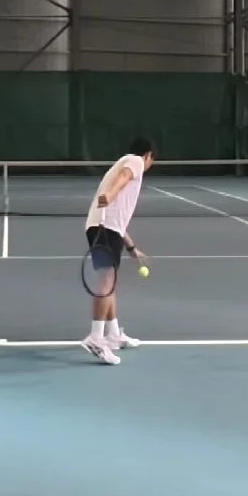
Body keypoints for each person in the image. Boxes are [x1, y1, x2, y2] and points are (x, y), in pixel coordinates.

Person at [82, 137, 156, 365]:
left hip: (107, 228)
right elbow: (123, 179)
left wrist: (131, 247)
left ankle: (113, 334)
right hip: (104, 228)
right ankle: (96, 338)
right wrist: (111, 194)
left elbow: (117, 219)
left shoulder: (123, 162)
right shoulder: (135, 162)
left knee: (110, 282)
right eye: (152, 159)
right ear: (147, 156)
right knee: (107, 281)